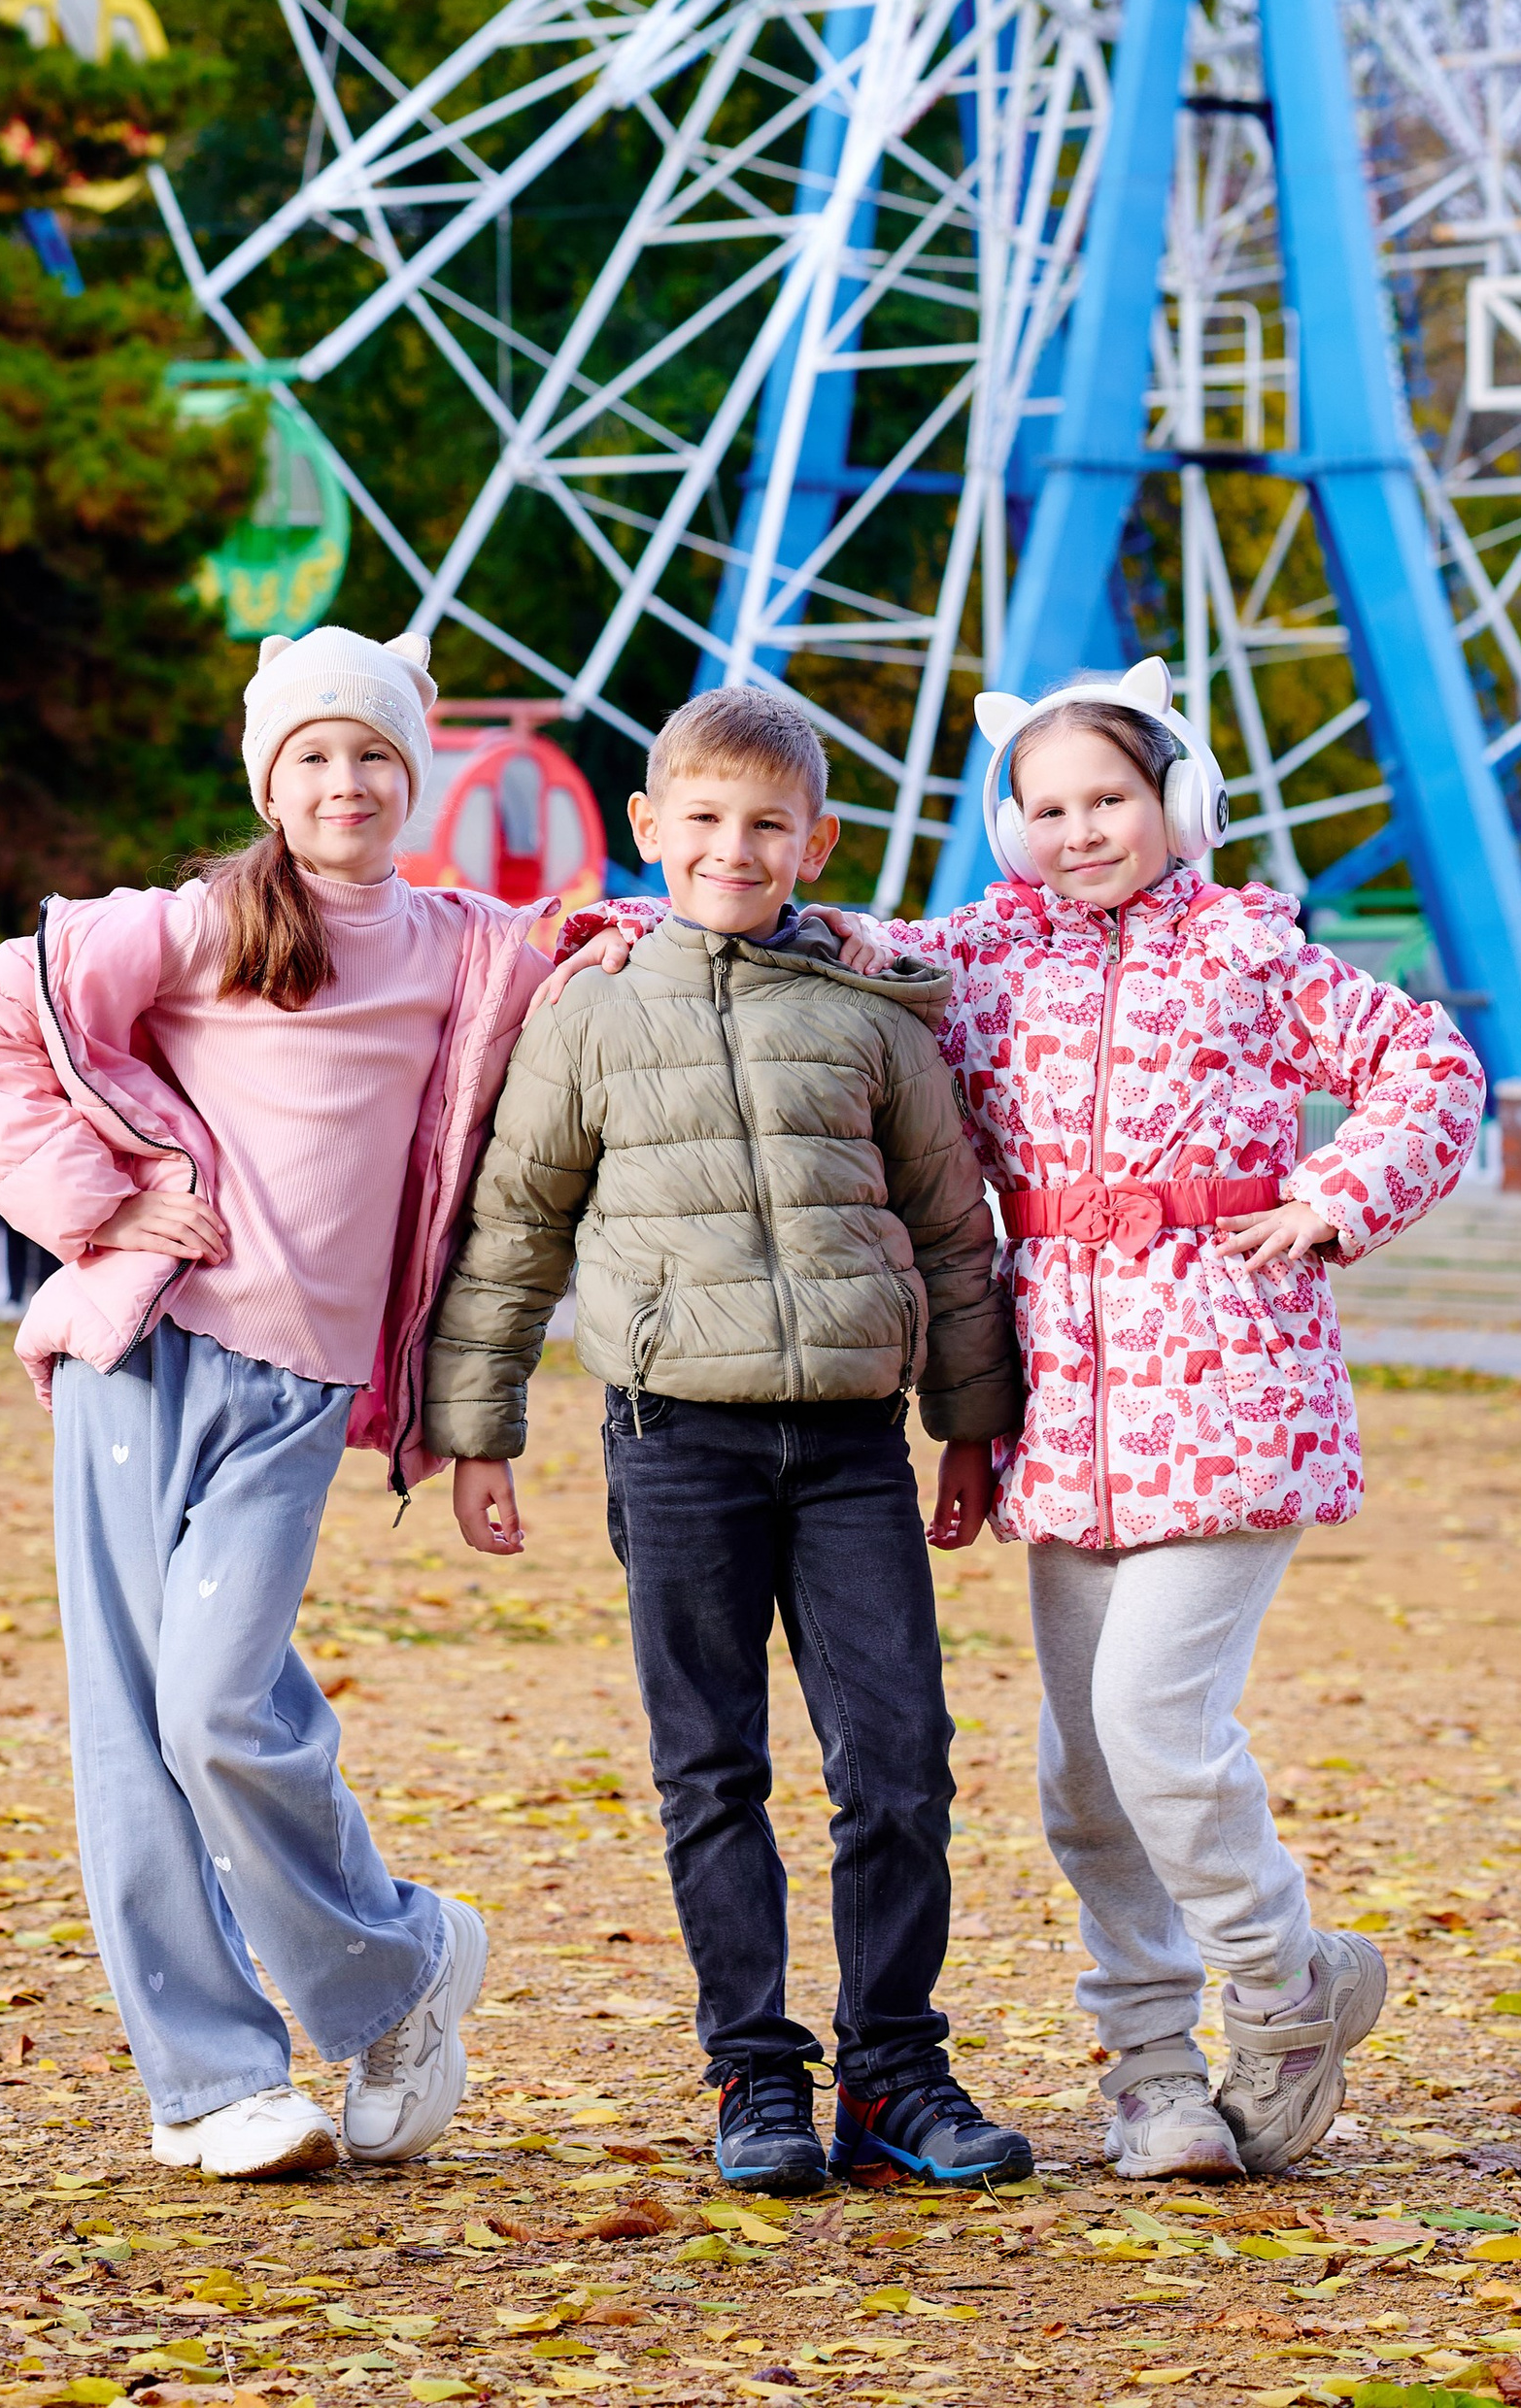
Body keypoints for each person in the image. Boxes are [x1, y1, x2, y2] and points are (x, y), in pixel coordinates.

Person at [560, 661, 1485, 2185]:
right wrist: (625, 928)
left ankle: (1285, 1982)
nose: (1079, 830)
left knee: (1154, 1727)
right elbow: (811, 938)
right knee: (1081, 1773)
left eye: (1109, 797)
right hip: (1070, 1412)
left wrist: (1329, 1199)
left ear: (1178, 803)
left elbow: (1428, 1064)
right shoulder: (982, 963)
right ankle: (1150, 2066)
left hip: (1229, 1389)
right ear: (1008, 824)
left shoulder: (1252, 954)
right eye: (1046, 806)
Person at [0, 626, 553, 2182]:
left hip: (298, 1386)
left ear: (417, 774)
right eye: (314, 755)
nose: (345, 780)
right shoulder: (202, 923)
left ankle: (395, 1965)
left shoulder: (472, 949)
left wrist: (866, 943)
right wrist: (98, 1203)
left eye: (375, 754)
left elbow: (665, 940)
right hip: (143, 1351)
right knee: (130, 1733)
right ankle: (211, 2080)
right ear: (270, 780)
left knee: (217, 1707)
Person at [422, 682, 1032, 2197]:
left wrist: (971, 1421)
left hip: (850, 1452)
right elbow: (515, 1228)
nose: (734, 848)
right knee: (712, 1767)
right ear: (650, 828)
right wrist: (476, 1425)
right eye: (703, 820)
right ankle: (754, 2072)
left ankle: (893, 2070)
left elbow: (956, 1234)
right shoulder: (593, 1013)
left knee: (899, 1761)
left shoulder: (867, 1018)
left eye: (768, 825)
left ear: (817, 840)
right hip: (672, 1438)